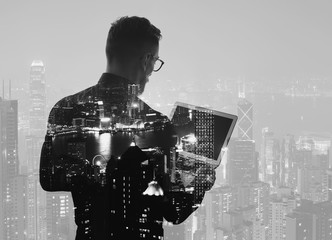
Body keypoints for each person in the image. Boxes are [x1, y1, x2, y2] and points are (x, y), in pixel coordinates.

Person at [40, 16, 215, 240]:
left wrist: (97, 174)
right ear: (146, 60)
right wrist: (203, 177)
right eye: (155, 62)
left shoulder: (64, 108)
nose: (152, 71)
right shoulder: (157, 124)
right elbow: (174, 210)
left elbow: (49, 179)